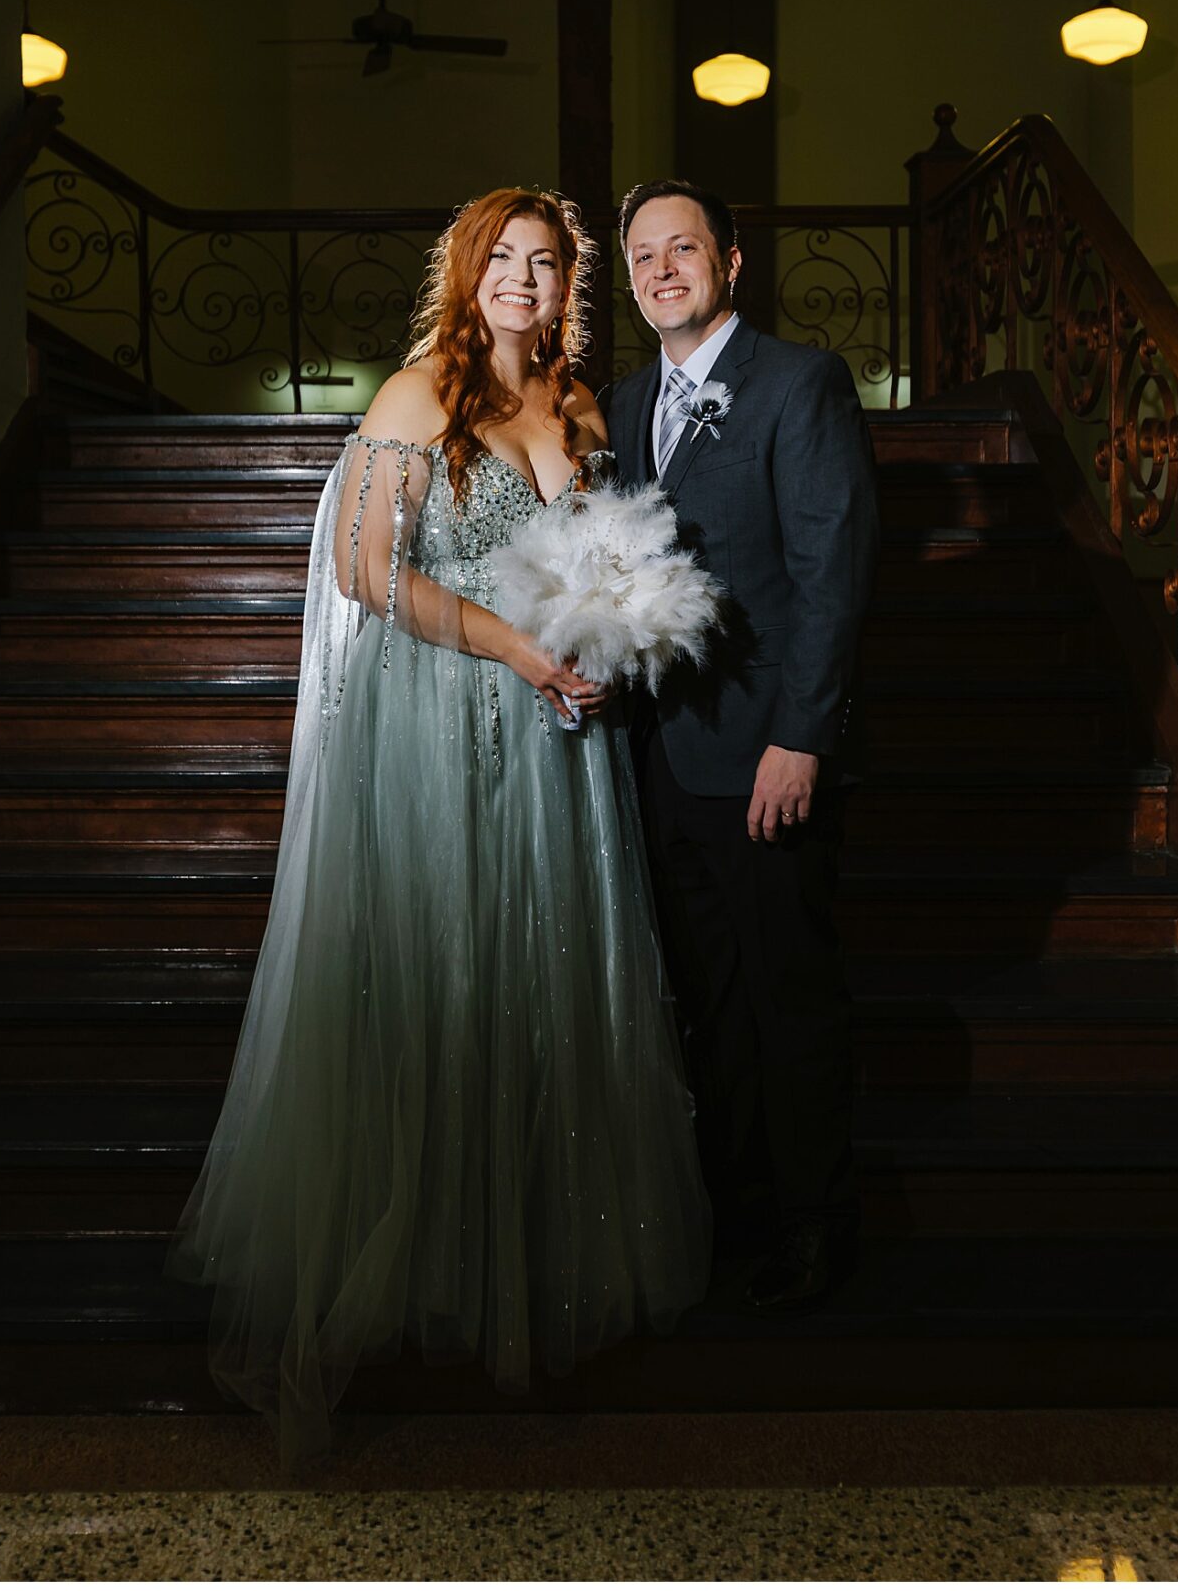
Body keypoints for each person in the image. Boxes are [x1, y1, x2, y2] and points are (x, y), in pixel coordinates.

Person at [167, 188, 712, 1469]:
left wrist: (596, 638)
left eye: (545, 263)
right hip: (438, 724)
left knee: (537, 993)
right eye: (502, 260)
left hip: (552, 744)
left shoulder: (576, 406)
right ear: (466, 274)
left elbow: (599, 562)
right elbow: (366, 571)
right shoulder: (418, 396)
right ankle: (317, 1348)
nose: (522, 280)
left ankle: (506, 1297)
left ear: (569, 284)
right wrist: (513, 644)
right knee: (425, 991)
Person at [603, 181, 879, 1312]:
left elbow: (832, 573)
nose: (663, 268)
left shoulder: (798, 383)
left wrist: (801, 738)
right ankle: (732, 1211)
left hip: (764, 758)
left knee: (786, 995)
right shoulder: (623, 404)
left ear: (730, 261)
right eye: (642, 255)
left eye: (684, 247)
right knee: (704, 1000)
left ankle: (815, 1225)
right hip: (658, 755)